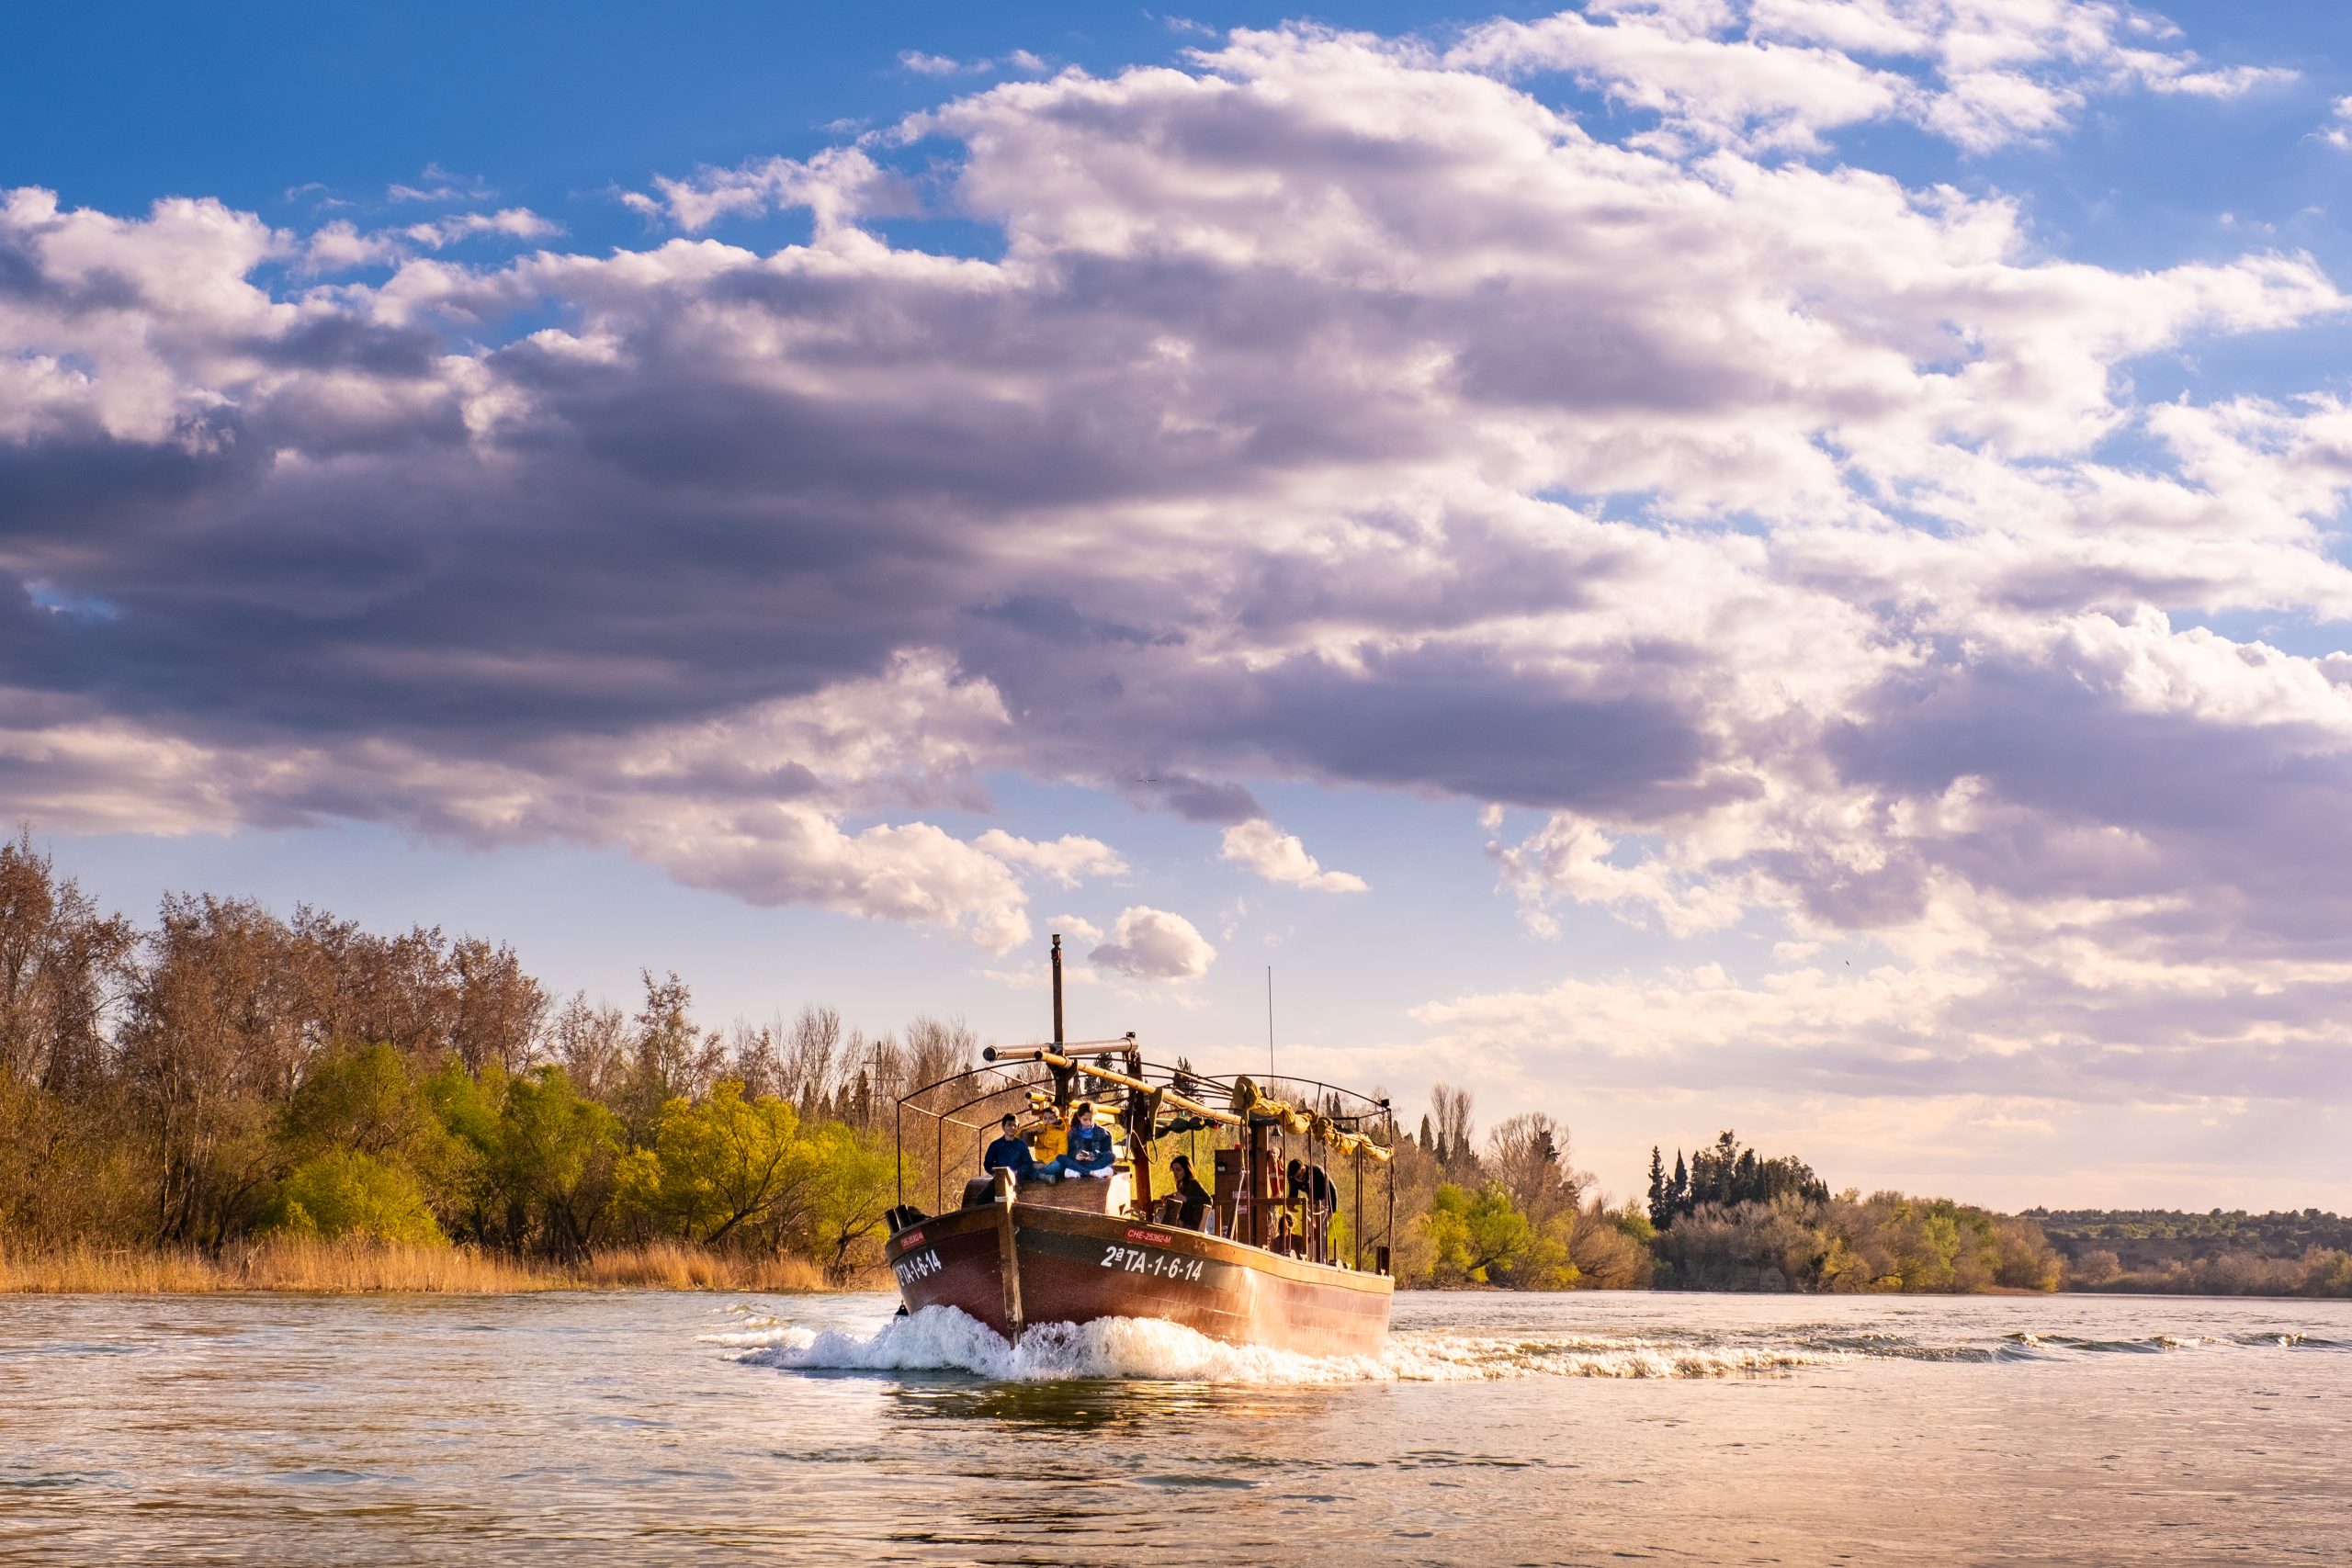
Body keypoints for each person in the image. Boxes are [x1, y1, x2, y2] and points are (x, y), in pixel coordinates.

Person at [1035, 1101, 1115, 1182]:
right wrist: (1075, 1156)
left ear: (1094, 1116)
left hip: (1094, 1163)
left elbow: (1108, 1155)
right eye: (1085, 1119)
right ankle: (1091, 1172)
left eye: (1091, 1119)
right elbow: (1067, 1153)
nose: (1088, 1123)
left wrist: (1093, 1155)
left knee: (1112, 1156)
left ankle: (1080, 1172)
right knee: (1060, 1158)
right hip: (1078, 1163)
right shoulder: (1072, 1133)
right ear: (1079, 1117)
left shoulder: (1104, 1134)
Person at [1163, 1153, 1212, 1230]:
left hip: (1190, 1228)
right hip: (1181, 1226)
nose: (1175, 1173)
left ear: (1186, 1170)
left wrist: (1186, 1199)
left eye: (1178, 1170)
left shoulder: (1193, 1183)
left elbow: (1209, 1200)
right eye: (1173, 1170)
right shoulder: (1182, 1187)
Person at [982, 1113, 1035, 1185]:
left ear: (1018, 1127)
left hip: (1018, 1180)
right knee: (982, 1196)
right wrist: (996, 1174)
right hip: (1000, 1180)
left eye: (1014, 1125)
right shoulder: (995, 1145)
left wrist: (1017, 1172)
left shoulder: (1022, 1145)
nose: (1012, 1128)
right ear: (1003, 1127)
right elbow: (988, 1163)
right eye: (1009, 1125)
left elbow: (1028, 1163)